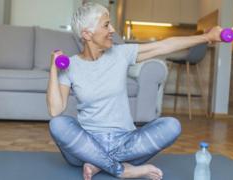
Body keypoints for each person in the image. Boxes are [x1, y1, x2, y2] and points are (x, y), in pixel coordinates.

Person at [46, 2, 222, 180]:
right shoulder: (71, 66)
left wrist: (207, 37)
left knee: (171, 126)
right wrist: (54, 68)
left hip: (126, 142)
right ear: (87, 34)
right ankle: (122, 170)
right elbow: (55, 110)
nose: (112, 29)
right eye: (106, 25)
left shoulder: (121, 53)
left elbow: (164, 46)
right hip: (86, 145)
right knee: (57, 125)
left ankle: (99, 163)